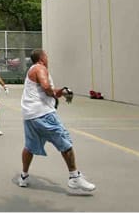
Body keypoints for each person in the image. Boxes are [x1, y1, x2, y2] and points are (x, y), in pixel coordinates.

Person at [18, 48, 95, 195]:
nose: (47, 58)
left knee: (29, 147)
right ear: (42, 58)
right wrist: (53, 94)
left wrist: (63, 92)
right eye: (46, 56)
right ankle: (74, 177)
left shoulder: (32, 70)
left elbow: (47, 90)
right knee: (65, 143)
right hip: (44, 115)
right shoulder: (40, 68)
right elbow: (47, 87)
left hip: (30, 116)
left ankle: (24, 176)